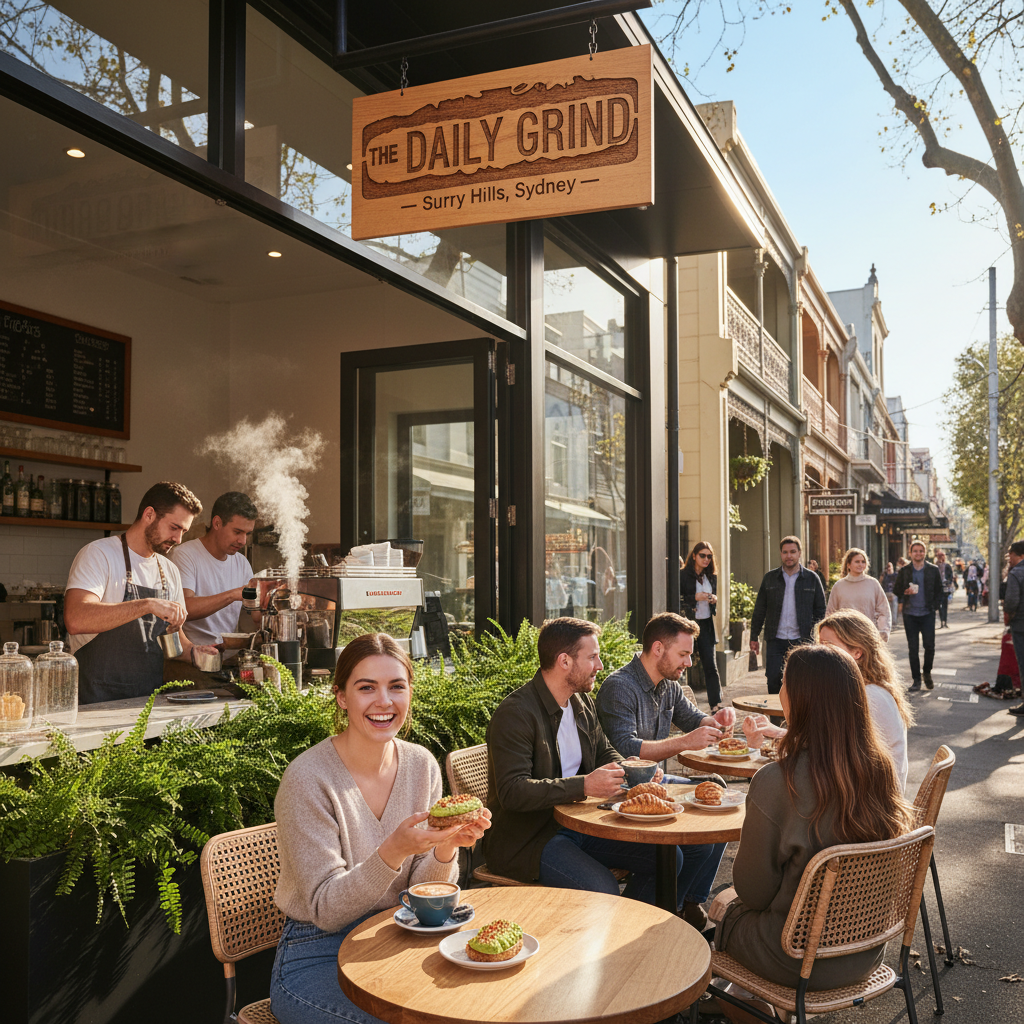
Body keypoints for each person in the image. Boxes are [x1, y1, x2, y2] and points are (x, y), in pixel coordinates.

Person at [270, 634, 489, 1024]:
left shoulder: (421, 765)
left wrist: (445, 847)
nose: (384, 701)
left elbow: (423, 894)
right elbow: (325, 910)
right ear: (341, 697)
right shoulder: (308, 779)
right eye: (366, 687)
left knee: (478, 1007)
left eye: (396, 687)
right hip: (317, 951)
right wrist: (393, 851)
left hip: (400, 936)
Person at [709, 645, 915, 1007]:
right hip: (864, 952)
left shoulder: (778, 781)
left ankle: (731, 1006)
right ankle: (748, 1003)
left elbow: (753, 893)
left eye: (783, 683)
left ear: (799, 699)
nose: (780, 692)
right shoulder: (880, 770)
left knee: (716, 916)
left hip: (794, 957)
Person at [484, 617, 718, 919]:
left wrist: (633, 768)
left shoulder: (580, 702)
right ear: (564, 661)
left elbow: (602, 751)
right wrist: (583, 786)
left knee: (669, 857)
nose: (601, 665)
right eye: (593, 657)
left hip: (579, 823)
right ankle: (613, 947)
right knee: (603, 888)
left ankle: (634, 936)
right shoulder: (516, 714)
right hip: (531, 839)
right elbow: (512, 792)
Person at [597, 612, 732, 927]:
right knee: (699, 834)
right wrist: (685, 742)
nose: (688, 662)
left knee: (719, 799)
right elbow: (626, 750)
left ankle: (687, 903)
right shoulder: (620, 686)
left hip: (657, 784)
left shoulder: (669, 684)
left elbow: (693, 718)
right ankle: (658, 914)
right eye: (683, 654)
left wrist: (718, 721)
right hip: (623, 792)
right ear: (658, 649)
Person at [64, 481, 220, 704]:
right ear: (149, 514)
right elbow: (76, 619)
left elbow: (172, 640)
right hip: (95, 702)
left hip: (146, 704)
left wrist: (194, 653)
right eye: (174, 527)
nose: (178, 539)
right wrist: (146, 605)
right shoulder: (99, 554)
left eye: (183, 531)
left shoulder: (169, 571)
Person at [743, 609, 914, 792]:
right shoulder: (864, 689)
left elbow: (825, 755)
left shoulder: (868, 696)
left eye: (828, 645)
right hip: (864, 798)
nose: (819, 652)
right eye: (819, 644)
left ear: (857, 652)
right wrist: (778, 733)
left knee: (774, 790)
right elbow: (830, 743)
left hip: (870, 806)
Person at [169, 491, 257, 645]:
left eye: (247, 534)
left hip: (229, 658)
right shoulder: (185, 555)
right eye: (237, 532)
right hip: (193, 659)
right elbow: (184, 608)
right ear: (217, 523)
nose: (243, 541)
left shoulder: (242, 563)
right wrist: (232, 595)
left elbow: (256, 616)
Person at [749, 535, 827, 696]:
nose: (789, 556)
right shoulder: (770, 578)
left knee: (802, 680)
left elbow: (820, 610)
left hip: (802, 639)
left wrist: (817, 635)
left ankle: (798, 718)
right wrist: (754, 636)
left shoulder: (812, 579)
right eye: (785, 552)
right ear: (781, 554)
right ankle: (776, 719)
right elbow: (760, 609)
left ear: (799, 553)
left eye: (792, 552)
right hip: (775, 639)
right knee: (773, 678)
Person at [679, 540, 725, 711]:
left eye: (709, 556)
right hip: (688, 624)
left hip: (706, 623)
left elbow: (715, 597)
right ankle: (682, 705)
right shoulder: (683, 575)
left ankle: (715, 704)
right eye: (702, 555)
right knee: (684, 662)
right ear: (694, 556)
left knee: (710, 665)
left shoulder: (711, 576)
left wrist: (714, 599)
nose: (706, 559)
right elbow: (677, 598)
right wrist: (694, 598)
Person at [893, 541, 943, 691]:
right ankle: (916, 680)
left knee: (929, 646)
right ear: (910, 553)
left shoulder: (933, 570)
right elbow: (897, 590)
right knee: (913, 648)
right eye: (915, 551)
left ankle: (926, 672)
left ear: (925, 553)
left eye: (921, 551)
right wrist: (905, 593)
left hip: (927, 613)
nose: (918, 553)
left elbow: (940, 591)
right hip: (910, 615)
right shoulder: (904, 571)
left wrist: (935, 607)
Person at [825, 548, 891, 641]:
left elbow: (883, 610)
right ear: (848, 565)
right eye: (857, 562)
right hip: (845, 635)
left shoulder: (873, 583)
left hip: (869, 635)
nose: (861, 564)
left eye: (863, 562)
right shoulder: (839, 586)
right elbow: (830, 613)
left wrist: (883, 631)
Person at [1004, 542, 1024, 716]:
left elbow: (1011, 601)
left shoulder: (1016, 573)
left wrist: (1008, 615)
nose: (1009, 558)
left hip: (1021, 625)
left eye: (1012, 555)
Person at [935, 550, 954, 628]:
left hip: (945, 588)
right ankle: (942, 622)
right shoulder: (935, 566)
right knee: (939, 606)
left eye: (942, 556)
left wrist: (948, 582)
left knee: (945, 605)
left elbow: (951, 576)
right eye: (939, 556)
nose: (941, 558)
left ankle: (944, 622)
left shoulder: (947, 566)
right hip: (937, 588)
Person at [880, 561, 899, 626]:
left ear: (892, 567)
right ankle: (885, 621)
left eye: (889, 566)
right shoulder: (884, 576)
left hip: (893, 593)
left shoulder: (896, 575)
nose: (888, 568)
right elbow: (880, 585)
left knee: (894, 599)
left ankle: (894, 621)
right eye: (887, 567)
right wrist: (882, 576)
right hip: (885, 593)